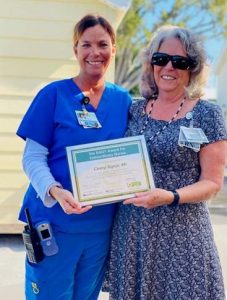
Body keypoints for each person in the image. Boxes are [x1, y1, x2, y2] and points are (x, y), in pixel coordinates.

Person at [103, 25, 227, 299]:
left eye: (179, 61)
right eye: (160, 59)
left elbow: (212, 183)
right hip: (134, 232)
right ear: (151, 64)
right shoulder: (134, 109)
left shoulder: (208, 114)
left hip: (182, 234)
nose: (168, 67)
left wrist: (170, 196)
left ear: (192, 68)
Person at [16, 14, 131, 300]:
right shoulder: (53, 95)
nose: (95, 53)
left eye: (103, 44)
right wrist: (55, 191)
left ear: (113, 49)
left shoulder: (123, 100)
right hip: (53, 224)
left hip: (100, 228)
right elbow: (32, 157)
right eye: (86, 45)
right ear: (75, 50)